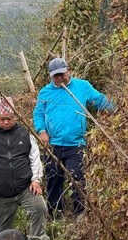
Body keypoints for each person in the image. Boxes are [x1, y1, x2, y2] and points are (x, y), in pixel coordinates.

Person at [33, 58, 112, 218]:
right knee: (53, 180)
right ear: (51, 76)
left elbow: (100, 101)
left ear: (68, 71)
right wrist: (42, 131)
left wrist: (117, 108)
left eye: (62, 74)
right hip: (52, 145)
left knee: (77, 178)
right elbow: (38, 114)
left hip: (76, 144)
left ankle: (80, 214)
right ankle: (56, 215)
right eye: (55, 76)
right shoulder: (45, 92)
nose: (59, 78)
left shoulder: (82, 87)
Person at [0, 97, 48, 237]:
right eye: (2, 119)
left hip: (26, 188)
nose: (6, 122)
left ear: (15, 116)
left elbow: (34, 157)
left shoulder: (25, 133)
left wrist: (36, 179)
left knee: (39, 208)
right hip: (1, 192)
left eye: (10, 118)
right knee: (2, 232)